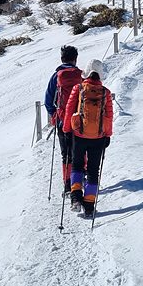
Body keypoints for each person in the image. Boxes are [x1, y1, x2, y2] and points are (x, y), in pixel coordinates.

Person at [63, 58, 113, 218]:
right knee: (93, 170)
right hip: (98, 137)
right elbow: (109, 116)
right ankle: (90, 206)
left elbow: (69, 109)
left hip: (79, 134)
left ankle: (76, 198)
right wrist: (107, 135)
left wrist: (66, 129)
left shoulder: (78, 88)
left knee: (77, 166)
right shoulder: (106, 92)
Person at [44, 45, 82, 194]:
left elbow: (48, 100)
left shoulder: (57, 76)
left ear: (62, 59)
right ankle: (79, 181)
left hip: (62, 121)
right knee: (79, 152)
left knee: (66, 154)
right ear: (75, 59)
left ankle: (67, 185)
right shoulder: (80, 75)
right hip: (79, 120)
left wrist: (55, 116)